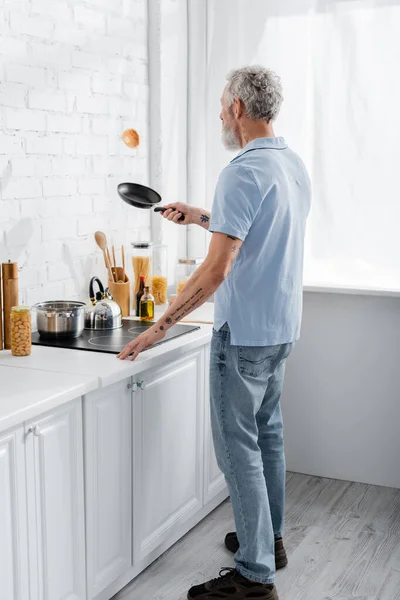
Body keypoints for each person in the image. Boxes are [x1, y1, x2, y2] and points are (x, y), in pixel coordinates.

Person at [118, 65, 311, 600]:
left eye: (223, 103)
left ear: (239, 110)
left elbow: (216, 271)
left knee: (236, 449)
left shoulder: (241, 170)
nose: (220, 112)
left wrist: (158, 328)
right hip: (280, 327)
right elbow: (260, 231)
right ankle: (269, 541)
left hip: (245, 331)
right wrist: (203, 217)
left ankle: (254, 578)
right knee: (267, 434)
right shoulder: (291, 164)